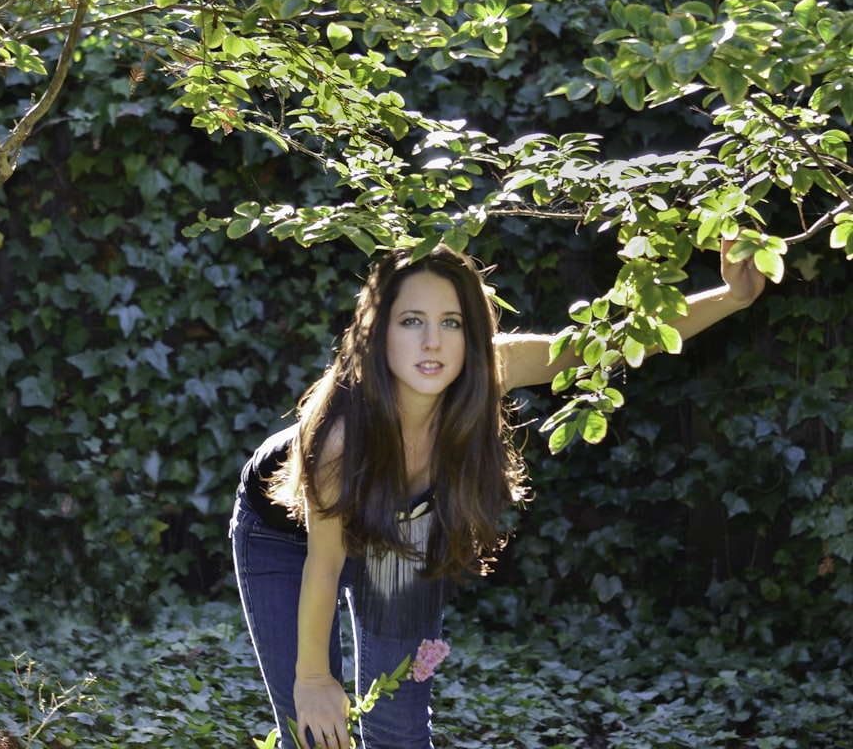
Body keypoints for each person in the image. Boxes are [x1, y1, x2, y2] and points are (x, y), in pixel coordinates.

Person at [230, 241, 766, 749]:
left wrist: (733, 296)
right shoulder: (342, 440)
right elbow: (324, 568)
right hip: (287, 541)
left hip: (397, 535)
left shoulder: (490, 369)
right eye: (411, 321)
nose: (432, 343)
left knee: (399, 732)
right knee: (317, 733)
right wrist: (315, 678)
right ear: (377, 333)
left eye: (451, 322)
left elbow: (604, 347)